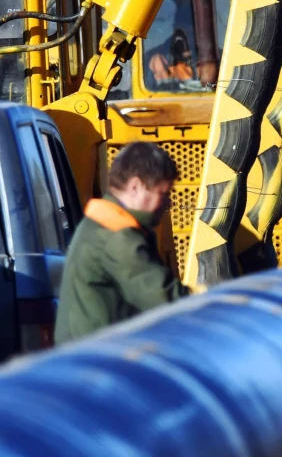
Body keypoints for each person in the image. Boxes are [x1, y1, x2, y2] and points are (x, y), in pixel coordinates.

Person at [56, 142, 188, 343]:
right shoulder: (116, 237)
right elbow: (166, 298)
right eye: (163, 194)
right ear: (135, 186)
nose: (168, 203)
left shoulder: (101, 223)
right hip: (99, 356)